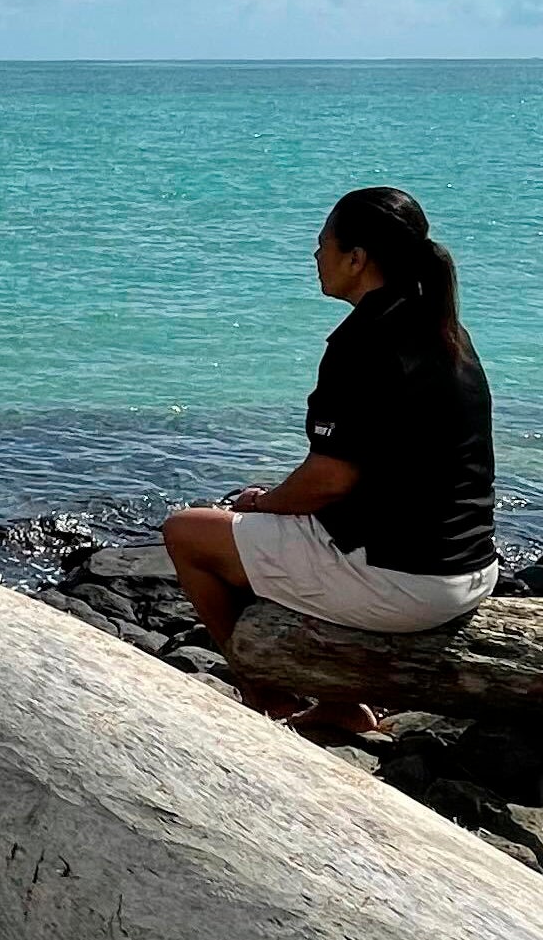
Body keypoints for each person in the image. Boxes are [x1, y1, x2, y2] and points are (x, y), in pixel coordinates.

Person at [162, 186, 498, 736]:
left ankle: (264, 696)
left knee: (187, 533)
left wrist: (266, 503)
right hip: (472, 567)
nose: (315, 257)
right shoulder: (443, 329)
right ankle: (340, 702)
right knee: (275, 531)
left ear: (357, 258)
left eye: (322, 245)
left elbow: (330, 478)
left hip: (409, 582)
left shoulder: (363, 342)